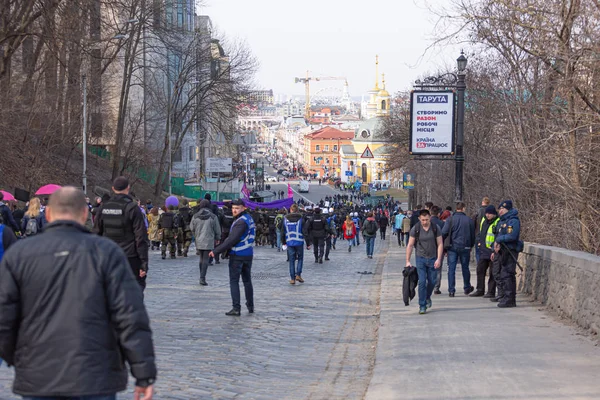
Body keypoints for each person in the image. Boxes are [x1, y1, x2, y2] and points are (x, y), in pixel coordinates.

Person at [0, 187, 156, 400]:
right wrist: (144, 374)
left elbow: (4, 316)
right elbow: (130, 316)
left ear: (47, 214)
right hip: (96, 374)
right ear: (84, 214)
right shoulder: (107, 253)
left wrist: (19, 358)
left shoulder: (20, 254)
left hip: (39, 373)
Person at [93, 176, 150, 292]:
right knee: (133, 290)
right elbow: (140, 236)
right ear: (128, 188)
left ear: (113, 188)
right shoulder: (132, 208)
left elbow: (96, 233)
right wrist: (143, 262)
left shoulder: (104, 207)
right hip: (130, 257)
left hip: (108, 255)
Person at [210, 199, 255, 316]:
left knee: (234, 281)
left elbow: (231, 240)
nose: (234, 210)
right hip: (248, 253)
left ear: (243, 208)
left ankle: (236, 308)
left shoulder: (241, 222)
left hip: (238, 254)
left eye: (237, 208)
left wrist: (216, 251)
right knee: (247, 280)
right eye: (233, 208)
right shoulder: (248, 218)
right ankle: (250, 305)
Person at [406, 209, 443, 314]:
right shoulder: (416, 228)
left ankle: (427, 297)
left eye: (426, 219)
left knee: (432, 281)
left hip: (433, 258)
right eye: (422, 220)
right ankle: (422, 305)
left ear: (430, 217)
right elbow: (410, 245)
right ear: (419, 219)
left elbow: (440, 244)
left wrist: (439, 259)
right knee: (422, 282)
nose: (424, 222)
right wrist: (407, 261)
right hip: (420, 258)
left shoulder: (436, 228)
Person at [442, 202, 476, 297]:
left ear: (456, 208)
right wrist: (471, 245)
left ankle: (451, 290)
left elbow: (443, 232)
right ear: (463, 208)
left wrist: (444, 246)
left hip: (452, 247)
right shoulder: (469, 220)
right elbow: (473, 235)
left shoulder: (450, 220)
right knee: (465, 268)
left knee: (451, 269)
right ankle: (467, 287)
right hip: (465, 247)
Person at [493, 200, 521, 308]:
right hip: (503, 251)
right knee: (503, 274)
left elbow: (511, 236)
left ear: (507, 209)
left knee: (507, 274)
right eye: (499, 209)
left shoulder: (512, 221)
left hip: (510, 250)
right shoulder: (502, 221)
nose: (500, 211)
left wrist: (500, 239)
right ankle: (506, 296)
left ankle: (510, 299)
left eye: (502, 209)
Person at [190, 199, 221, 286]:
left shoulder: (195, 216)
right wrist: (218, 237)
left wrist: (196, 234)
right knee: (206, 259)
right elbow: (217, 229)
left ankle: (201, 275)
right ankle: (202, 277)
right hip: (209, 239)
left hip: (198, 239)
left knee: (201, 258)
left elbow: (191, 227)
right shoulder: (213, 216)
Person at [471, 205, 499, 297]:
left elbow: (497, 237)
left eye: (490, 213)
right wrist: (479, 241)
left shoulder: (498, 222)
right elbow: (480, 232)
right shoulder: (484, 221)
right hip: (484, 250)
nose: (488, 215)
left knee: (492, 273)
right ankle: (480, 289)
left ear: (494, 214)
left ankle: (491, 292)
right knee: (480, 270)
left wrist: (493, 248)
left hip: (493, 251)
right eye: (487, 213)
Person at [282, 204, 306, 284]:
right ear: (297, 210)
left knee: (291, 260)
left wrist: (283, 242)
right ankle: (298, 274)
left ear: (291, 210)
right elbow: (304, 231)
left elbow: (282, 231)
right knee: (300, 258)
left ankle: (292, 278)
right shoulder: (301, 219)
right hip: (299, 241)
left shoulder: (285, 219)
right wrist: (308, 242)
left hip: (289, 242)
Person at [430, 206, 445, 295]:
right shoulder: (441, 223)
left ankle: (429, 285)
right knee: (438, 268)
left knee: (429, 268)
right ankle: (436, 287)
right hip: (439, 247)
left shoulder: (427, 222)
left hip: (428, 248)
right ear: (439, 214)